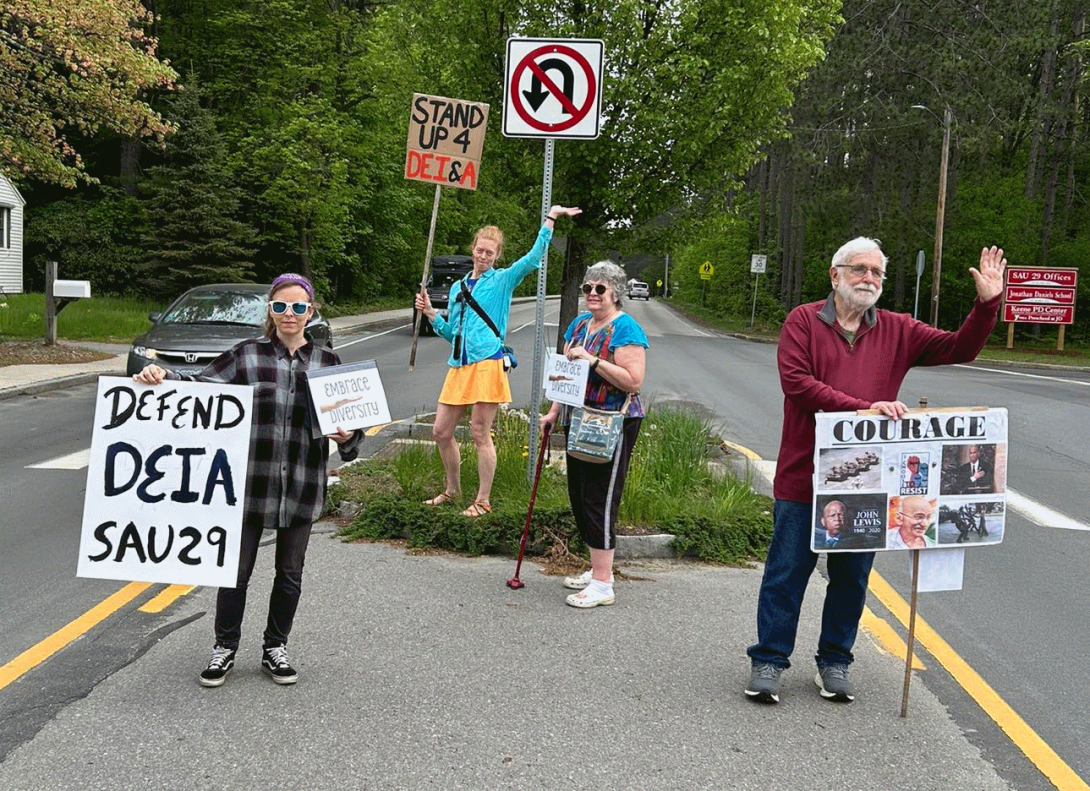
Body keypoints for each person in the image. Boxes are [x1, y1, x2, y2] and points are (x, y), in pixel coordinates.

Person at [744, 238, 1006, 705]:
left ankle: (835, 662)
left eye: (877, 273)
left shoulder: (897, 329)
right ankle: (769, 659)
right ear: (835, 275)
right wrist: (866, 409)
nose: (869, 279)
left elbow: (958, 349)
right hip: (803, 478)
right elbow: (798, 383)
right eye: (860, 269)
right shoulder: (803, 321)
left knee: (852, 578)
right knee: (786, 572)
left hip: (869, 486)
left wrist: (987, 305)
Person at [133, 273, 361, 687]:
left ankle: (276, 647)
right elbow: (201, 391)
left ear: (311, 312)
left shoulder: (329, 363)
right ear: (270, 312)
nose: (288, 314)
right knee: (234, 572)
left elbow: (352, 435)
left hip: (303, 484)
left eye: (297, 307)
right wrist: (164, 378)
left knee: (290, 573)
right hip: (247, 485)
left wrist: (347, 438)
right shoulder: (247, 355)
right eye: (280, 306)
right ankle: (225, 648)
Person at [416, 206, 582, 517]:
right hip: (459, 365)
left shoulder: (503, 280)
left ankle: (483, 500)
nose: (483, 256)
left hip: (488, 364)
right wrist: (430, 315)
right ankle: (452, 490)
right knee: (441, 431)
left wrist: (550, 218)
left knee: (480, 431)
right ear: (473, 248)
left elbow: (533, 259)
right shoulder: (457, 287)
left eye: (489, 253)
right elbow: (454, 333)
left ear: (497, 255)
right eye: (480, 250)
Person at [541, 261, 649, 609]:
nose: (591, 294)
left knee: (600, 498)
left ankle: (603, 584)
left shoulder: (625, 328)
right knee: (579, 494)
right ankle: (599, 569)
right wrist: (554, 412)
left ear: (615, 293)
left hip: (612, 422)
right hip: (580, 417)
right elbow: (565, 373)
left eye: (599, 289)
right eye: (588, 287)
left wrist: (594, 361)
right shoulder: (579, 325)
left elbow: (633, 381)